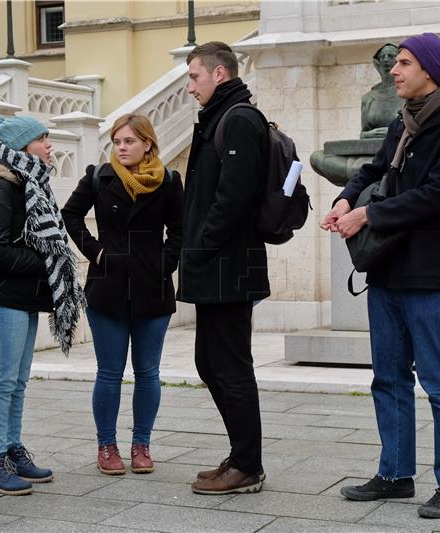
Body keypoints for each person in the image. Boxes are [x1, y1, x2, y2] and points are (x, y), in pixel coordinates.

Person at [321, 33, 440, 519]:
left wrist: (369, 217)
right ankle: (395, 474)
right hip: (388, 270)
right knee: (388, 378)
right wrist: (346, 198)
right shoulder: (403, 121)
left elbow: (435, 195)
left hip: (431, 274)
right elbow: (372, 170)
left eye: (405, 63)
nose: (393, 71)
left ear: (430, 70)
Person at [0, 115, 85, 496]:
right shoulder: (1, 187)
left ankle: (12, 449)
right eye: (41, 139)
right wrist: (47, 262)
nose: (49, 145)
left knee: (17, 380)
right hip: (0, 297)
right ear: (22, 146)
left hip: (21, 295)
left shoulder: (30, 184)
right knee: (2, 380)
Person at [61, 114, 183, 476]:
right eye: (117, 142)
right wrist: (96, 252)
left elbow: (180, 229)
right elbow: (70, 215)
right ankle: (107, 445)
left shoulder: (169, 180)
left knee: (148, 372)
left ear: (148, 143)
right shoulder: (99, 177)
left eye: (129, 141)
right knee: (109, 372)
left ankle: (141, 444)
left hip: (153, 286)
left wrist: (165, 263)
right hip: (108, 286)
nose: (122, 148)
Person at [177, 42, 269, 495]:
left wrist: (199, 247)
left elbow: (233, 199)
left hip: (229, 265)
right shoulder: (219, 117)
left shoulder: (240, 119)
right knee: (208, 361)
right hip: (215, 264)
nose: (190, 86)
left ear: (218, 72)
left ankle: (248, 465)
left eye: (194, 77)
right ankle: (240, 454)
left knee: (230, 365)